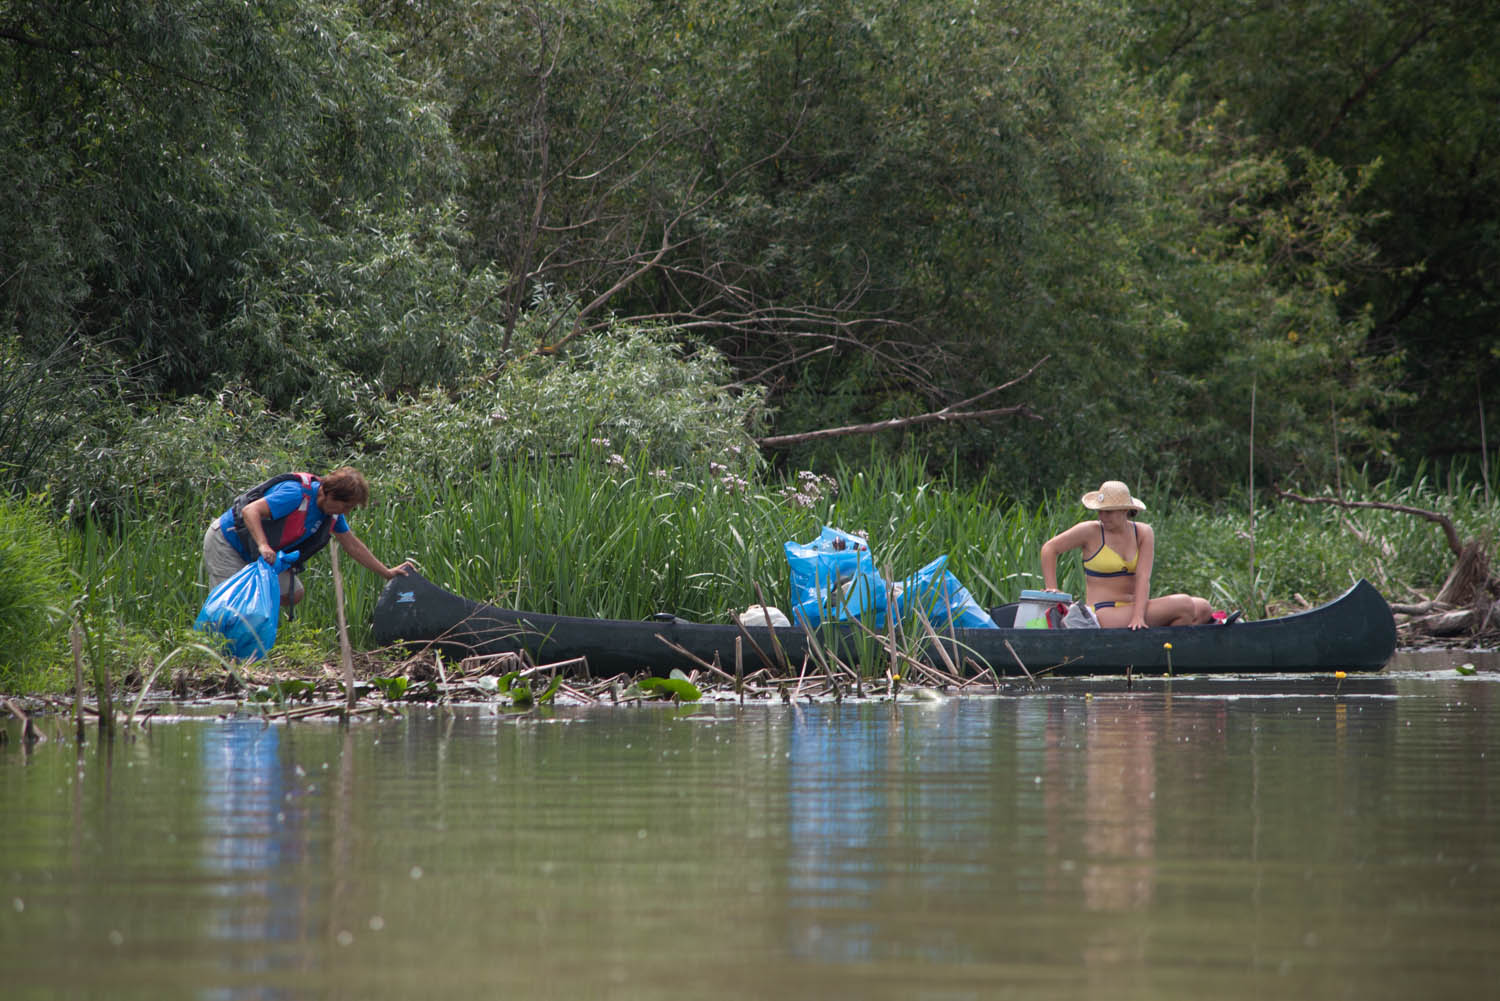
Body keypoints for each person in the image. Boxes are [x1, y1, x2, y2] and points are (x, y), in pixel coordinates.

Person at [202, 467, 412, 610]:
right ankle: (220, 657)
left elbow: (352, 545)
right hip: (228, 542)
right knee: (228, 605)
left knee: (294, 594)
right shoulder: (295, 495)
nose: (347, 512)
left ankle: (251, 627)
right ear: (328, 494)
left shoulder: (332, 514)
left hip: (261, 554)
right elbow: (250, 512)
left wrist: (386, 572)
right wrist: (264, 545)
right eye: (346, 506)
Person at [1039, 480, 1214, 629]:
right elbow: (1049, 549)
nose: (1102, 516)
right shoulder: (1090, 530)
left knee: (1203, 607)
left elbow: (1142, 578)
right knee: (1183, 603)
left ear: (1124, 510)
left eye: (1108, 512)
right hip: (1103, 613)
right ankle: (1158, 647)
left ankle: (1161, 648)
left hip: (1135, 607)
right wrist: (1053, 590)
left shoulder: (1143, 532)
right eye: (1100, 511)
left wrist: (1138, 616)